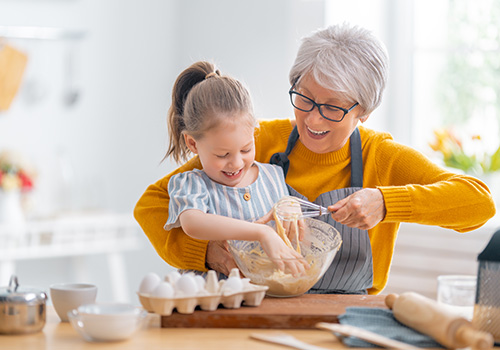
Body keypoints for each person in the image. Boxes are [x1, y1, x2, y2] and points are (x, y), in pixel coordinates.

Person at [135, 23, 496, 295]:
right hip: (256, 305)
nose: (313, 119)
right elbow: (151, 205)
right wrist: (207, 252)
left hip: (348, 316)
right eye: (304, 99)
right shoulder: (257, 142)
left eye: (333, 108)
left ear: (364, 111)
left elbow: (478, 203)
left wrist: (386, 202)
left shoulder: (381, 158)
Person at [161, 61, 308, 276]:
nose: (237, 163)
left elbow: (290, 218)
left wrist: (291, 207)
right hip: (211, 303)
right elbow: (194, 223)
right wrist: (261, 233)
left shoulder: (274, 176)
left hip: (265, 299)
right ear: (192, 144)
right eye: (223, 155)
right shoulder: (190, 184)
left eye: (246, 149)